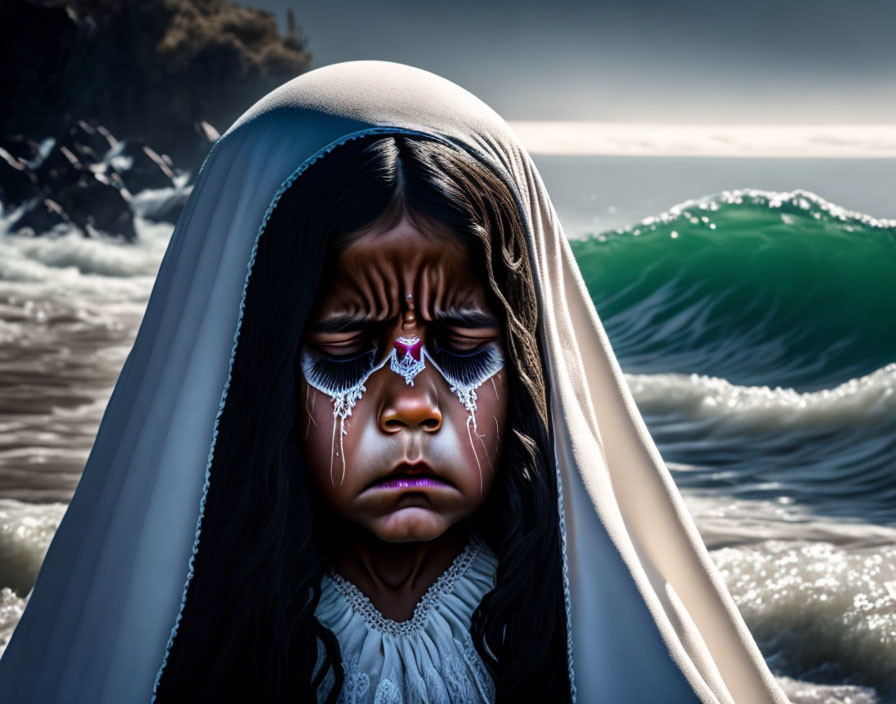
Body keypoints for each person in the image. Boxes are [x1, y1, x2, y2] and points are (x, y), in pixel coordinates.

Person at [0, 61, 790, 703]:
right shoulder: (217, 640)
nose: (411, 401)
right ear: (260, 370)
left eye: (461, 339)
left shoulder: (559, 634)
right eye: (348, 342)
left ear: (524, 356)